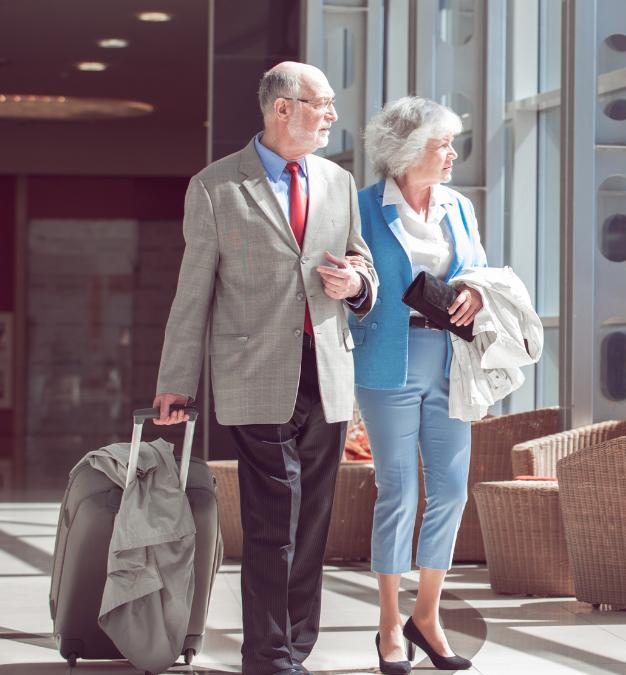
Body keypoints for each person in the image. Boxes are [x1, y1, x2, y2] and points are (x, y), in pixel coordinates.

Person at [151, 62, 379, 675]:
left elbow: (364, 266)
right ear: (284, 108)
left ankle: (295, 648)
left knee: (313, 521)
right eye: (322, 103)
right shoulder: (215, 187)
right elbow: (192, 293)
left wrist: (357, 283)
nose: (332, 113)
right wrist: (175, 381)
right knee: (274, 515)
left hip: (327, 374)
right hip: (254, 374)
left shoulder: (337, 181)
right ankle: (268, 654)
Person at [350, 97, 485, 674]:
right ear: (407, 152)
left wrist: (476, 291)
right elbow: (355, 277)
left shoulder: (459, 206)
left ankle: (425, 616)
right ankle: (386, 626)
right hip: (388, 360)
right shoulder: (359, 208)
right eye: (442, 145)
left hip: (451, 360)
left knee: (452, 489)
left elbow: (479, 268)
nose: (452, 154)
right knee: (398, 490)